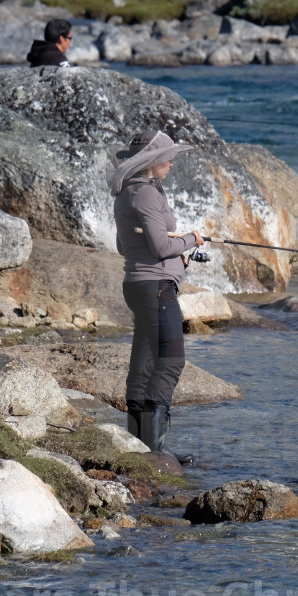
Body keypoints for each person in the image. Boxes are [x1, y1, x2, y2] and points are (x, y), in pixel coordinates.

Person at [106, 130, 204, 462]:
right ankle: (156, 452)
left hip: (139, 285)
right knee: (171, 362)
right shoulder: (146, 194)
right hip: (157, 288)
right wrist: (191, 239)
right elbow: (161, 246)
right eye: (167, 158)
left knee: (144, 363)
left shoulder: (126, 193)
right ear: (151, 161)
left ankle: (139, 448)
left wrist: (178, 249)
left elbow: (124, 245)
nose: (172, 163)